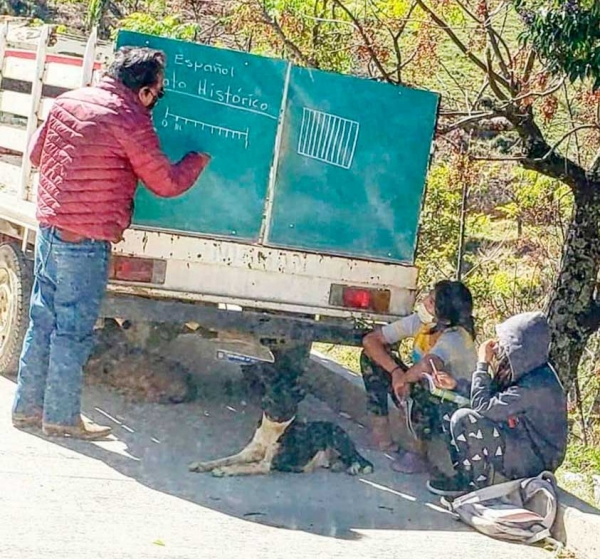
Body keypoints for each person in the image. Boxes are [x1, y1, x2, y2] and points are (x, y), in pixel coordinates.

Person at [12, 47, 211, 440]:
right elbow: (166, 183)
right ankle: (63, 418)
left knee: (43, 320)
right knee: (73, 330)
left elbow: (36, 154)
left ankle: (26, 408)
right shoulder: (130, 119)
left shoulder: (67, 101)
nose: (157, 100)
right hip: (87, 238)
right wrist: (197, 160)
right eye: (159, 92)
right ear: (145, 91)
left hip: (50, 227)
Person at [427, 311, 568, 497]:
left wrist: (483, 364)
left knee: (465, 418)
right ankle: (464, 477)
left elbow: (482, 407)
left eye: (506, 344)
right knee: (449, 408)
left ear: (520, 347)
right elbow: (492, 398)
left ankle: (478, 491)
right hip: (521, 439)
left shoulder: (537, 385)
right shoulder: (528, 369)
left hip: (536, 458)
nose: (501, 348)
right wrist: (456, 385)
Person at [361, 280, 477, 473]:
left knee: (425, 382)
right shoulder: (423, 322)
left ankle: (417, 452)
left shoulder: (455, 337)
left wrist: (404, 379)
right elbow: (371, 341)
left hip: (450, 408)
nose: (425, 302)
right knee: (371, 358)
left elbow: (428, 366)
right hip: (421, 390)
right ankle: (381, 433)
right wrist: (396, 372)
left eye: (431, 302)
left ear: (445, 319)